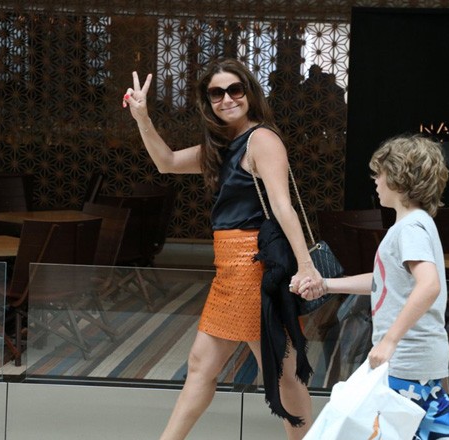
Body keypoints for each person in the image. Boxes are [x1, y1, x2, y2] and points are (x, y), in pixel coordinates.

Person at [123, 58, 324, 440]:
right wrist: (142, 118)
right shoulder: (223, 146)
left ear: (249, 93)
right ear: (208, 102)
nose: (227, 99)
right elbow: (167, 162)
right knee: (210, 365)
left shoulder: (261, 139)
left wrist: (305, 265)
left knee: (276, 368)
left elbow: (283, 206)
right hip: (230, 269)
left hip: (252, 266)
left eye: (235, 89)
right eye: (217, 93)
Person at [298, 134, 449, 439]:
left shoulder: (410, 229)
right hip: (412, 361)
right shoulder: (414, 225)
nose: (375, 180)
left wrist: (389, 340)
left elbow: (429, 285)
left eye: (380, 173)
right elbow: (382, 281)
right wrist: (326, 285)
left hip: (406, 361)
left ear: (400, 178)